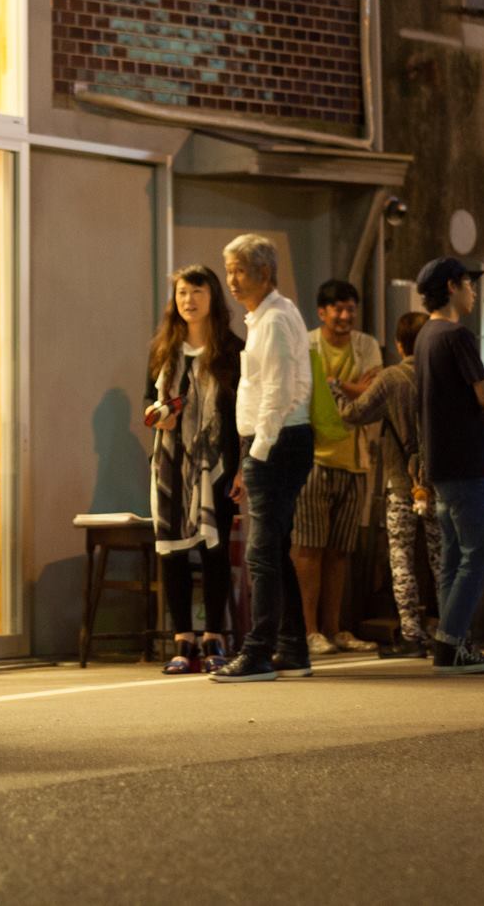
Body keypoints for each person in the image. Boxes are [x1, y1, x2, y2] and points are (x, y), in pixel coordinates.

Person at [211, 234, 317, 683]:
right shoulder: (271, 314)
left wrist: (256, 452)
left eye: (239, 270)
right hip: (280, 441)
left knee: (261, 553)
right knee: (272, 547)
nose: (231, 280)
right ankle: (291, 646)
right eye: (229, 269)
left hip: (276, 442)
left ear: (265, 273)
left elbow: (278, 391)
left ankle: (258, 651)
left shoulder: (273, 320)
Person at [413, 257, 484, 675]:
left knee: (452, 556)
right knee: (478, 552)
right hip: (466, 461)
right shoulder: (458, 335)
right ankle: (452, 643)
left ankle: (450, 642)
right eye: (470, 284)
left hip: (437, 461)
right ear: (453, 286)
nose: (475, 291)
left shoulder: (424, 336)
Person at [144, 265, 242, 673]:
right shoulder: (163, 350)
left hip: (215, 464)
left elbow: (242, 414)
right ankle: (182, 639)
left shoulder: (232, 350)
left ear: (213, 298)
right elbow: (145, 403)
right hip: (169, 462)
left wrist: (239, 469)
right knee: (173, 553)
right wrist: (156, 414)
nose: (189, 300)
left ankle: (214, 637)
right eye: (183, 293)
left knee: (213, 549)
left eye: (197, 292)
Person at [338, 310, 440, 656]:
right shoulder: (441, 376)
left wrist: (337, 389)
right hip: (439, 481)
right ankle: (451, 631)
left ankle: (411, 634)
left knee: (401, 557)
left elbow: (353, 415)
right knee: (442, 558)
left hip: (401, 483)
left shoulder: (391, 378)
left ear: (399, 344)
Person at [293, 280, 384, 657]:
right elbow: (303, 393)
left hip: (355, 458)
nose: (345, 316)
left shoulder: (366, 345)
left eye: (350, 309)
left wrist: (333, 383)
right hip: (312, 458)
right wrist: (350, 387)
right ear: (322, 312)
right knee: (309, 548)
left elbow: (375, 392)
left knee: (340, 551)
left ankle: (335, 628)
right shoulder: (307, 344)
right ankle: (308, 630)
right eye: (337, 309)